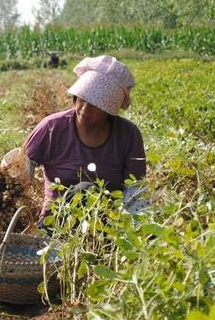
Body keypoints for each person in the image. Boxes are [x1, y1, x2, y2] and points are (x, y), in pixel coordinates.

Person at [21, 55, 147, 222]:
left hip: (107, 224)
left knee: (87, 190)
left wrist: (139, 230)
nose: (85, 109)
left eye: (95, 105)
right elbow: (22, 166)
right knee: (83, 190)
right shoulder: (52, 127)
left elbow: (134, 190)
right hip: (56, 223)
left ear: (109, 110)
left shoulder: (128, 135)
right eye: (82, 99)